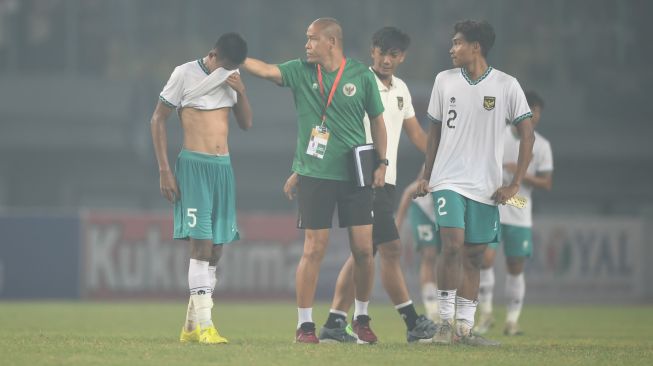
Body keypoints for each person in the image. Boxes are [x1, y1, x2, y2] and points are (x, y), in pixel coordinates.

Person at [285, 26, 436, 344]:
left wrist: (447, 155)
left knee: (365, 252)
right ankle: (412, 322)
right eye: (381, 52)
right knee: (389, 248)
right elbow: (323, 125)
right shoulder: (354, 80)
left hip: (387, 178)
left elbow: (418, 137)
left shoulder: (402, 91)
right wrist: (306, 169)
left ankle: (336, 322)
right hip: (362, 177)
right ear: (372, 52)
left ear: (402, 57)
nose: (386, 59)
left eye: (393, 54)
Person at [242, 18, 388, 344]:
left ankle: (361, 318)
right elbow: (265, 70)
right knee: (313, 250)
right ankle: (305, 325)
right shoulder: (300, 70)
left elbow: (378, 123)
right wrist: (237, 58)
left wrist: (382, 163)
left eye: (311, 39)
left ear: (331, 42)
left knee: (365, 250)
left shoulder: (361, 75)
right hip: (315, 174)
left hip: (355, 174)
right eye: (306, 40)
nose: (306, 45)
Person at [414, 20, 535, 346]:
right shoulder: (444, 80)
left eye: (457, 43)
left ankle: (464, 329)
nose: (451, 49)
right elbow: (434, 132)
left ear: (476, 47)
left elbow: (527, 133)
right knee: (452, 244)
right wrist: (427, 175)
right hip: (448, 179)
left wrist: (515, 184)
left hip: (486, 186)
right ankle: (443, 326)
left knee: (474, 255)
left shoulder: (507, 85)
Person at [150, 33, 251, 345]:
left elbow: (246, 124)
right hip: (194, 167)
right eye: (225, 65)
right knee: (201, 247)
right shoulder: (184, 74)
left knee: (217, 249)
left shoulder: (233, 76)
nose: (228, 71)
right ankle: (206, 327)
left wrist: (243, 93)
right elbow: (158, 119)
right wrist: (165, 169)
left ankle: (192, 325)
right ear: (212, 54)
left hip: (223, 168)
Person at [474, 91, 553, 336]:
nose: (532, 115)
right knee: (485, 258)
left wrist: (521, 174)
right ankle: (485, 314)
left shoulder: (542, 145)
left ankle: (512, 320)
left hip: (519, 206)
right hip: (492, 204)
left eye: (536, 111)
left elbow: (546, 183)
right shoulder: (498, 135)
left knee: (515, 264)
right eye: (528, 110)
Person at [395, 172, 440, 323]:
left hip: (444, 210)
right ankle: (432, 309)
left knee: (450, 256)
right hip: (423, 209)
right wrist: (398, 225)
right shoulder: (436, 156)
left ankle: (446, 307)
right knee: (429, 254)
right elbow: (410, 190)